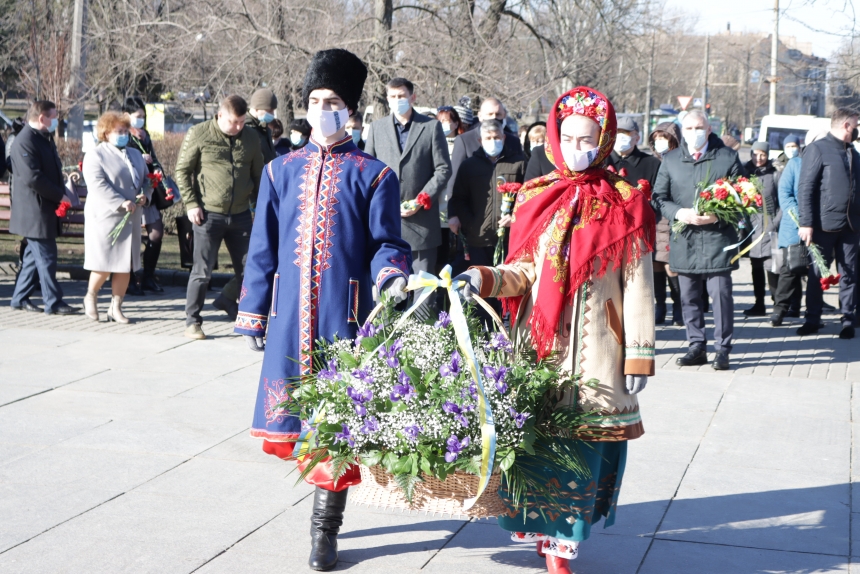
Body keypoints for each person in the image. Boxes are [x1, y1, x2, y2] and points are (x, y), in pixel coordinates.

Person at [453, 86, 655, 574]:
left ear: (604, 139)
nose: (577, 147)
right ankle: (545, 536)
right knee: (537, 442)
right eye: (568, 137)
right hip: (537, 348)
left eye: (589, 138)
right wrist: (480, 276)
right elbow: (520, 270)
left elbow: (639, 286)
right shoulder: (537, 197)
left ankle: (563, 547)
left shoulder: (627, 203)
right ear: (554, 138)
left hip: (597, 353)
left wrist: (640, 353)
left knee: (581, 448)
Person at [234, 48, 412, 572]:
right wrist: (253, 312)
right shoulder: (278, 172)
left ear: (349, 109)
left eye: (332, 100)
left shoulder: (374, 175)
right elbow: (261, 250)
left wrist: (390, 274)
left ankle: (323, 532)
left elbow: (387, 243)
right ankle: (321, 518)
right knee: (296, 426)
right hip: (291, 319)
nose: (322, 108)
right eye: (314, 100)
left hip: (345, 318)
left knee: (337, 428)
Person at [653, 109, 745, 371]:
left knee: (721, 295)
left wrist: (718, 215)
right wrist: (679, 212)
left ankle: (723, 349)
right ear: (682, 131)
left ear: (708, 129)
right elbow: (658, 197)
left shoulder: (727, 157)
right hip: (685, 238)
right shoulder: (670, 159)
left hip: (718, 239)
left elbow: (743, 197)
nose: (694, 133)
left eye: (699, 128)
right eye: (689, 128)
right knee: (689, 297)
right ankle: (696, 346)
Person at [175, 95, 263, 340]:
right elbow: (182, 171)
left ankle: (251, 320)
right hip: (208, 215)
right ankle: (193, 322)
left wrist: (260, 209)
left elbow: (259, 176)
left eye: (242, 122)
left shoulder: (251, 138)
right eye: (234, 122)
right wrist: (191, 203)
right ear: (220, 115)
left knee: (251, 270)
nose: (238, 127)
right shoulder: (199, 133)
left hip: (241, 215)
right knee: (202, 272)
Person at [364, 77, 451, 283]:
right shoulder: (377, 128)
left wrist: (422, 199)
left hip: (421, 223)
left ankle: (423, 317)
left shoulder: (430, 127)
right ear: (387, 99)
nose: (397, 100)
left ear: (412, 97)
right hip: (386, 221)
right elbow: (368, 169)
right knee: (390, 289)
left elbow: (443, 168)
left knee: (424, 289)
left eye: (401, 96)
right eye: (393, 96)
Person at [447, 119, 526, 316]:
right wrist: (471, 224)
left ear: (504, 137)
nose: (493, 141)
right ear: (481, 140)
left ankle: (506, 330)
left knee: (506, 287)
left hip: (508, 239)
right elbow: (459, 198)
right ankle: (484, 332)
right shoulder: (469, 165)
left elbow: (528, 196)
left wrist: (514, 216)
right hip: (478, 239)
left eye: (497, 137)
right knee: (481, 288)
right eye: (489, 138)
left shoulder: (518, 163)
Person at [80, 111, 152, 323]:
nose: (124, 135)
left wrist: (144, 196)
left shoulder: (135, 154)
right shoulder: (96, 155)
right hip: (106, 217)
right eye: (118, 131)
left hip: (131, 217)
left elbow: (147, 180)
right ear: (106, 132)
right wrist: (120, 201)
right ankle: (91, 297)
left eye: (125, 131)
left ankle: (116, 307)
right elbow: (97, 184)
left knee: (125, 264)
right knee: (103, 264)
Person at [9, 100, 78, 315]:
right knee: (47, 257)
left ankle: (19, 298)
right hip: (34, 212)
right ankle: (53, 302)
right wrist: (61, 195)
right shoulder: (25, 141)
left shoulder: (43, 138)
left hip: (43, 209)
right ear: (42, 118)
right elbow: (33, 178)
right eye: (54, 116)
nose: (57, 120)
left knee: (32, 258)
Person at [796, 108, 860, 339]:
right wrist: (806, 223)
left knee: (850, 274)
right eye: (856, 125)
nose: (857, 129)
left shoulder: (853, 152)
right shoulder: (818, 149)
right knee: (817, 274)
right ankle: (812, 319)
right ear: (846, 125)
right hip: (822, 226)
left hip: (851, 226)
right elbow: (806, 188)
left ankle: (847, 320)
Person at [606, 116, 662, 318]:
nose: (621, 137)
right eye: (618, 133)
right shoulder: (603, 161)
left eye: (627, 134)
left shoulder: (651, 163)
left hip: (639, 232)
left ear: (637, 137)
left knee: (636, 282)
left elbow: (659, 198)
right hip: (607, 233)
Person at [771, 129, 827, 326]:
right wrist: (801, 216)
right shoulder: (795, 163)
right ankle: (780, 309)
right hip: (794, 225)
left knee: (816, 270)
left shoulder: (828, 163)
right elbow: (785, 194)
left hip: (821, 226)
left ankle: (812, 313)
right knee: (789, 268)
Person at [124, 97, 165, 294]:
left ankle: (148, 276)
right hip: (131, 191)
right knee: (131, 238)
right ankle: (130, 279)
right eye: (137, 116)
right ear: (126, 116)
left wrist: (157, 169)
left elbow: (155, 159)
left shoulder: (145, 135)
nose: (140, 120)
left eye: (143, 116)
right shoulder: (122, 135)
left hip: (148, 189)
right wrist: (138, 158)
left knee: (156, 233)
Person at [648, 121, 684, 325]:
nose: (659, 142)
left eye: (663, 138)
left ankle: (678, 306)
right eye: (656, 139)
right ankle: (659, 306)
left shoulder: (680, 161)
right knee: (655, 266)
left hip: (672, 219)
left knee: (673, 266)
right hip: (653, 221)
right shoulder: (652, 162)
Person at [741, 141, 780, 317]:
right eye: (755, 154)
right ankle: (759, 304)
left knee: (773, 266)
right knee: (755, 265)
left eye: (763, 154)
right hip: (752, 225)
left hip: (771, 225)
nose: (759, 158)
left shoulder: (775, 174)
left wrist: (775, 223)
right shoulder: (745, 172)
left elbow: (782, 202)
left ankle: (777, 304)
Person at [435, 105, 466, 273]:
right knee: (441, 249)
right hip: (438, 201)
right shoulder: (434, 144)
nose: (443, 125)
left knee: (457, 249)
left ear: (455, 123)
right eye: (439, 121)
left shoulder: (463, 143)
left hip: (456, 200)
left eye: (446, 121)